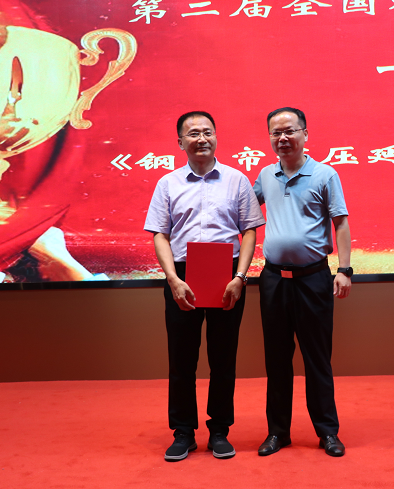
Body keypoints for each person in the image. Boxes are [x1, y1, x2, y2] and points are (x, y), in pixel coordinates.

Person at [144, 111, 265, 462]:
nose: (202, 139)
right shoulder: (168, 183)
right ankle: (183, 432)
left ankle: (219, 431)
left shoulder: (236, 180)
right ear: (180, 142)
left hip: (227, 274)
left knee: (223, 357)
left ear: (216, 137)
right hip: (182, 275)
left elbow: (249, 231)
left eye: (207, 132)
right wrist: (173, 279)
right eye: (193, 133)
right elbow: (160, 234)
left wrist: (240, 277)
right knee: (182, 358)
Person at [253, 107, 352, 457]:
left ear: (305, 134)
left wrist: (345, 269)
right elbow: (243, 209)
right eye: (276, 132)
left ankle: (327, 432)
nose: (283, 138)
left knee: (317, 359)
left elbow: (340, 223)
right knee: (277, 360)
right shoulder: (265, 175)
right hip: (274, 281)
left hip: (313, 279)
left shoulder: (325, 174)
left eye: (290, 131)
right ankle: (277, 432)